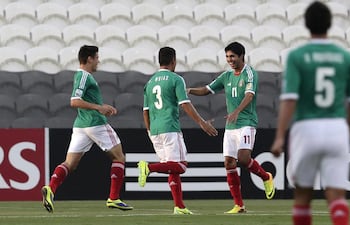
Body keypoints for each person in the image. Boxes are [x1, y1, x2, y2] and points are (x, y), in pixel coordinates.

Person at [270, 2, 350, 225]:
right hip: (336, 127)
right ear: (330, 24)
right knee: (337, 196)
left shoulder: (297, 56)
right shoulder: (345, 57)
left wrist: (280, 136)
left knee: (302, 194)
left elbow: (290, 98)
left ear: (306, 24)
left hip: (306, 128)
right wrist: (347, 128)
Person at [41, 45, 132, 213]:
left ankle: (51, 189)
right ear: (89, 58)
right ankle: (114, 198)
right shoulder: (84, 76)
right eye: (97, 58)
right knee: (119, 157)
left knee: (70, 163)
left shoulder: (83, 76)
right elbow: (74, 101)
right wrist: (99, 108)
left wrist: (101, 107)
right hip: (95, 123)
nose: (98, 61)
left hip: (81, 126)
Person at [187, 42, 275, 214]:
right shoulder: (226, 76)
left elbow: (250, 95)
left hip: (246, 123)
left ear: (242, 56)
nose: (230, 60)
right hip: (231, 126)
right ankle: (239, 205)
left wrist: (236, 111)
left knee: (243, 158)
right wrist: (189, 90)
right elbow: (207, 90)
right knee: (229, 163)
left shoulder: (249, 73)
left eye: (232, 56)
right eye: (227, 57)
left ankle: (266, 177)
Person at [138, 46, 218, 215]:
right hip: (170, 128)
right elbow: (185, 104)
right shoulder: (176, 79)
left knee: (172, 168)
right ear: (174, 61)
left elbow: (145, 110)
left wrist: (149, 131)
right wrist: (202, 123)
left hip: (154, 130)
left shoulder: (149, 82)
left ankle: (179, 207)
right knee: (181, 166)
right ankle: (148, 168)